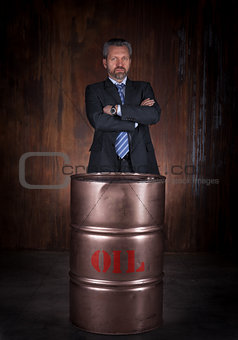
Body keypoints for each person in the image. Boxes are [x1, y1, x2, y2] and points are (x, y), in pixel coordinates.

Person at [85, 38, 161, 174]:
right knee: (104, 196)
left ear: (130, 62)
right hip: (104, 160)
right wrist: (136, 120)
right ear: (105, 63)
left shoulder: (143, 88)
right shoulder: (94, 90)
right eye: (114, 59)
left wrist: (117, 110)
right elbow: (98, 121)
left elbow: (153, 115)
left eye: (124, 58)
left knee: (142, 196)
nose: (120, 63)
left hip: (142, 159)